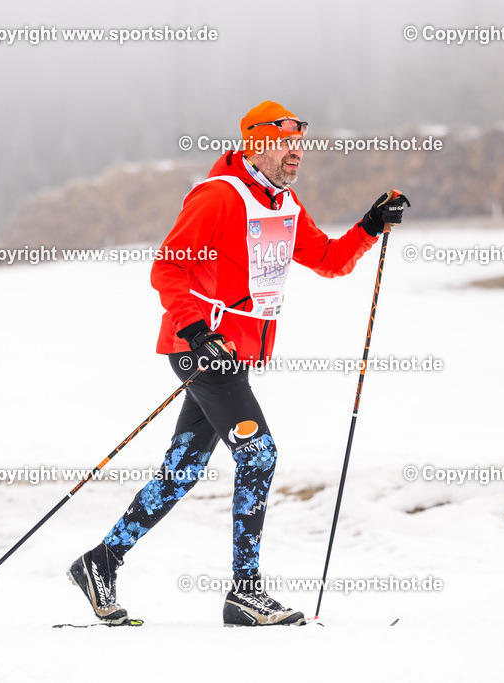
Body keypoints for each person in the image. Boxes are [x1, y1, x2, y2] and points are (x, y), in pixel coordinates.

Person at [68, 101, 410, 626]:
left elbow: (329, 261)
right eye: (283, 142)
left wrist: (369, 225)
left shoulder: (283, 203)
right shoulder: (218, 198)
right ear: (255, 143)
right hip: (201, 350)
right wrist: (198, 331)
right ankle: (244, 593)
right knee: (260, 454)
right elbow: (167, 271)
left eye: (299, 142)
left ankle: (100, 562)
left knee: (181, 473)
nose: (295, 152)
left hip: (236, 354)